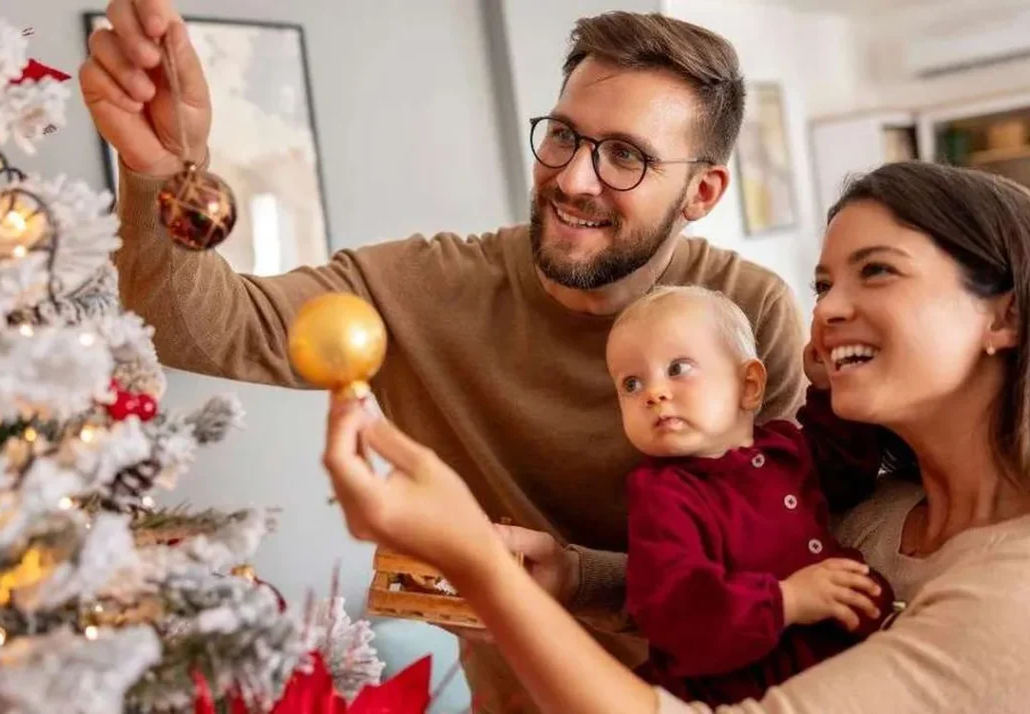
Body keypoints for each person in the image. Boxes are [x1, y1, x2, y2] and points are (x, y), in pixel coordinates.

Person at [81, 3, 807, 709]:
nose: (575, 179)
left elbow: (788, 563)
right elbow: (199, 327)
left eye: (625, 156)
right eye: (563, 137)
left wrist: (579, 579)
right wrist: (162, 168)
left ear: (701, 192)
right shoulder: (424, 288)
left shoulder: (748, 313)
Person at [321, 160, 1030, 713]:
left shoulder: (1011, 595)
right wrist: (575, 577)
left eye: (877, 271)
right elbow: (728, 582)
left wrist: (476, 564)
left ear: (1003, 317)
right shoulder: (872, 508)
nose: (830, 310)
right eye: (823, 285)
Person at [606, 286, 892, 705]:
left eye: (678, 368)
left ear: (750, 385)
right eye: (631, 383)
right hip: (744, 687)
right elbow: (676, 610)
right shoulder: (663, 496)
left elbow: (848, 474)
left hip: (838, 660)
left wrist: (827, 388)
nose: (654, 393)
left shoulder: (783, 449)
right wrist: (787, 600)